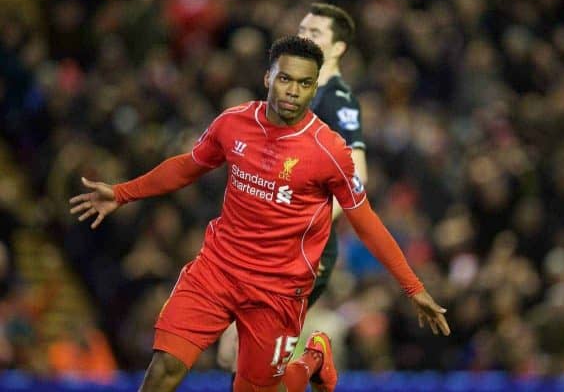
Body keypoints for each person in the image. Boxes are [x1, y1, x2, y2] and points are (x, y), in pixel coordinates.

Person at [70, 36, 450, 392]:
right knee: (165, 369)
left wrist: (412, 288)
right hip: (216, 270)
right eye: (285, 78)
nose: (293, 91)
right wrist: (122, 193)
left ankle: (314, 356)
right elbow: (189, 166)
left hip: (278, 291)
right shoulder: (233, 122)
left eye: (304, 83)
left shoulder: (328, 150)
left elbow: (365, 221)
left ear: (314, 87)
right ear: (268, 76)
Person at [217, 3, 368, 381]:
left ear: (338, 49)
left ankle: (315, 360)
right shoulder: (300, 93)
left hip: (301, 251)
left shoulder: (337, 101)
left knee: (246, 356)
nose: (304, 37)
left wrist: (301, 228)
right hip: (267, 245)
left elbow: (359, 177)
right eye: (302, 28)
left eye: (315, 34)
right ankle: (313, 362)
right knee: (235, 354)